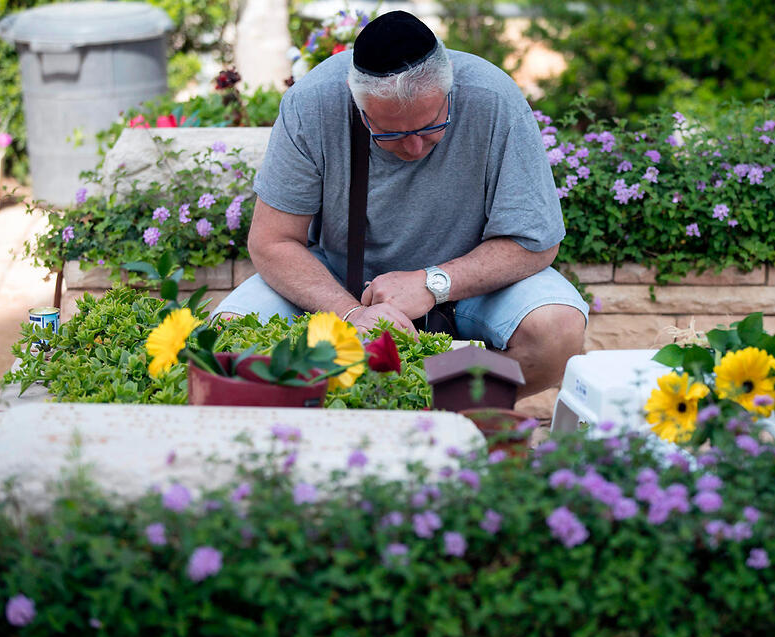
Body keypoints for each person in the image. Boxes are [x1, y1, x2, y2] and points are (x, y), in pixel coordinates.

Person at [214, 10, 588, 398]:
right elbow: (272, 241)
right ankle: (343, 413)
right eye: (390, 133)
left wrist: (433, 283)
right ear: (357, 101)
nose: (413, 147)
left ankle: (446, 406)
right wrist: (350, 313)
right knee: (229, 337)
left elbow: (535, 241)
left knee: (556, 331)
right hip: (337, 281)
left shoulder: (494, 98)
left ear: (449, 85)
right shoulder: (311, 102)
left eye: (430, 126)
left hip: (469, 286)